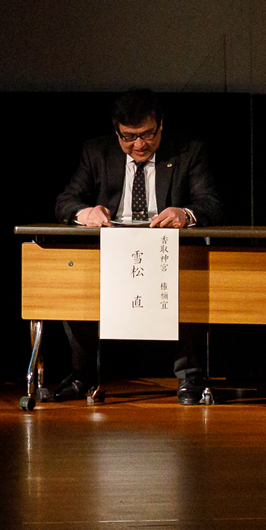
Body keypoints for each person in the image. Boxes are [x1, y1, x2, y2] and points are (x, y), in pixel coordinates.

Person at [51, 89, 225, 402]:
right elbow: (65, 201)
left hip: (167, 250)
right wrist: (85, 212)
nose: (139, 145)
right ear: (116, 130)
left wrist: (183, 213)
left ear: (161, 125)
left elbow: (211, 203)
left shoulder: (188, 151)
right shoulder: (97, 152)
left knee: (191, 284)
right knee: (74, 285)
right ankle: (83, 376)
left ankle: (191, 379)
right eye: (129, 137)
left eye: (147, 134)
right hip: (112, 249)